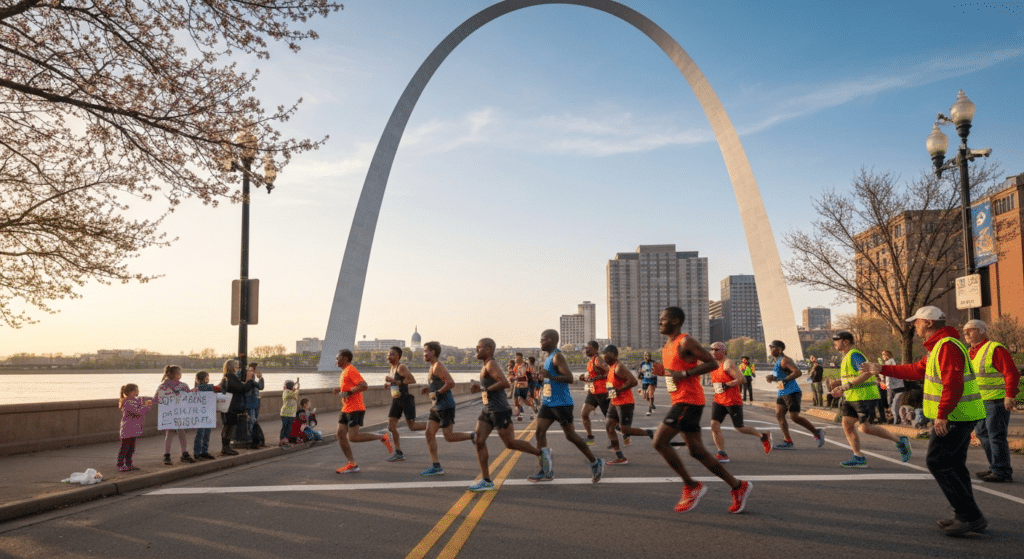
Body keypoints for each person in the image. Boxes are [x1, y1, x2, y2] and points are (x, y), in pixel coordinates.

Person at [861, 306, 987, 536]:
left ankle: (969, 516)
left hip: (955, 416)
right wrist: (882, 368)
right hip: (960, 415)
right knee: (954, 465)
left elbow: (953, 383)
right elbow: (917, 370)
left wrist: (942, 415)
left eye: (917, 322)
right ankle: (968, 515)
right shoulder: (940, 346)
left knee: (937, 462)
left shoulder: (946, 346)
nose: (914, 326)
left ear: (929, 323)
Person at [652, 306, 752, 514]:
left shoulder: (685, 342)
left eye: (663, 319)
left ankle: (692, 486)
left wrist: (684, 374)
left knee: (659, 441)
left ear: (675, 321)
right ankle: (738, 486)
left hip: (688, 401)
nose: (659, 322)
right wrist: (665, 373)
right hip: (680, 400)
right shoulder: (667, 346)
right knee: (697, 451)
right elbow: (677, 373)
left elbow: (712, 364)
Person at [467, 338, 561, 491]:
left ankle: (541, 453)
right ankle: (486, 480)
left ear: (488, 350)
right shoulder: (486, 364)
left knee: (510, 443)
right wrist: (481, 387)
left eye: (479, 347)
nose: (476, 349)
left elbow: (504, 383)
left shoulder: (491, 364)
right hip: (488, 409)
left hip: (499, 409)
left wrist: (485, 389)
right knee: (479, 440)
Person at [529, 329, 604, 483]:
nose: (540, 342)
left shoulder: (557, 356)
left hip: (561, 403)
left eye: (543, 339)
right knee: (539, 433)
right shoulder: (548, 357)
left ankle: (595, 462)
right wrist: (542, 379)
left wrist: (550, 376)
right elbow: (550, 378)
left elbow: (569, 378)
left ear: (551, 340)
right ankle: (546, 470)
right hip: (548, 402)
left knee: (570, 435)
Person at [828, 331, 911, 468]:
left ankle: (900, 441)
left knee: (865, 428)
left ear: (845, 342)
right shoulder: (847, 356)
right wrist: (839, 384)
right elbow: (852, 376)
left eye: (836, 341)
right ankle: (858, 457)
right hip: (851, 396)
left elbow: (867, 373)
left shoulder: (854, 355)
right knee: (847, 425)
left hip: (864, 396)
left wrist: (845, 386)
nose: (834, 344)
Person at [962, 319, 1019, 483]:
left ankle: (1002, 471)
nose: (966, 334)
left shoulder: (994, 349)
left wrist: (1010, 395)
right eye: (964, 331)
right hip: (979, 401)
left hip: (996, 400)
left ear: (982, 331)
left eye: (970, 330)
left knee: (995, 435)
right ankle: (995, 466)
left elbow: (1011, 373)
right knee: (982, 433)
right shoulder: (970, 352)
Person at [707, 342, 772, 463]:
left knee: (739, 428)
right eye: (712, 349)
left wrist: (727, 384)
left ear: (724, 352)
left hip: (732, 401)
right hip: (718, 400)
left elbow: (742, 379)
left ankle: (763, 436)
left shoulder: (727, 364)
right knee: (714, 426)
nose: (713, 352)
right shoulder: (712, 364)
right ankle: (722, 453)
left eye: (716, 350)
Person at [333, 349, 393, 474]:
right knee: (340, 434)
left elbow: (364, 385)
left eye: (338, 358)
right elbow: (351, 386)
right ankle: (351, 464)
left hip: (355, 408)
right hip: (346, 408)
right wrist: (340, 389)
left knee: (353, 437)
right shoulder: (345, 371)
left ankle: (382, 437)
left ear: (345, 358)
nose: (336, 360)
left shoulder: (350, 370)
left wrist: (349, 392)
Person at [419, 341, 474, 476]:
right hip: (436, 406)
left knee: (449, 437)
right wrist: (429, 389)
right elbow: (439, 383)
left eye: (426, 351)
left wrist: (438, 392)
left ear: (433, 352)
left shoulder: (438, 366)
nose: (424, 354)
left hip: (445, 406)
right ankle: (436, 466)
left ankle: (473, 435)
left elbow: (451, 383)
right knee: (429, 434)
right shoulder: (432, 366)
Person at [766, 340, 825, 450]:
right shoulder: (778, 361)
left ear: (779, 349)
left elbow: (797, 372)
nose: (771, 350)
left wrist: (784, 380)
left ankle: (817, 432)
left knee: (794, 417)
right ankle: (787, 441)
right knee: (779, 414)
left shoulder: (785, 360)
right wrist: (771, 377)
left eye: (772, 348)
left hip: (792, 392)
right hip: (782, 392)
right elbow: (780, 377)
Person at [603, 344, 655, 465]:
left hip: (625, 403)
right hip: (614, 402)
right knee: (609, 426)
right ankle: (620, 457)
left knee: (625, 430)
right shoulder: (610, 367)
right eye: (604, 354)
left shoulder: (619, 367)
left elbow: (633, 381)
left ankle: (649, 433)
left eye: (607, 354)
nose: (605, 356)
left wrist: (619, 389)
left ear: (615, 355)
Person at [384, 346, 426, 462]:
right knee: (391, 427)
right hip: (396, 400)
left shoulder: (401, 367)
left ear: (398, 356)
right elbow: (397, 383)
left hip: (405, 399)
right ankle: (398, 453)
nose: (389, 356)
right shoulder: (392, 368)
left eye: (392, 354)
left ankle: (434, 425)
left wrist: (395, 381)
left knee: (412, 426)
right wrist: (390, 385)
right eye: (388, 354)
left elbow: (412, 380)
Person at [155, 365, 195, 465]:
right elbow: (189, 397)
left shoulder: (163, 386)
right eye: (180, 373)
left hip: (169, 414)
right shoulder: (183, 386)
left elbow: (156, 398)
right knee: (182, 434)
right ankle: (184, 453)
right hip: (180, 413)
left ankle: (167, 455)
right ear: (177, 375)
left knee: (169, 435)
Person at [219, 359, 256, 456]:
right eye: (235, 365)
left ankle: (225, 447)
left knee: (227, 427)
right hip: (231, 406)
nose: (237, 367)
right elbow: (242, 389)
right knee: (229, 427)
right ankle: (225, 448)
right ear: (232, 367)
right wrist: (249, 381)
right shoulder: (231, 377)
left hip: (227, 405)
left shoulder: (226, 377)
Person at [578, 340, 609, 446]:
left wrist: (598, 377)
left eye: (588, 348)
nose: (586, 350)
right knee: (584, 414)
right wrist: (584, 378)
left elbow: (610, 371)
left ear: (595, 349)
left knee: (611, 420)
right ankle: (590, 437)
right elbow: (592, 376)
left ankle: (625, 432)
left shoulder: (598, 360)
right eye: (586, 348)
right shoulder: (591, 361)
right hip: (593, 392)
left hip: (603, 392)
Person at [117, 383, 153, 471]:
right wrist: (146, 407)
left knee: (131, 448)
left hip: (133, 429)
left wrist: (145, 405)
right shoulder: (127, 402)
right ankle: (120, 464)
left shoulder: (134, 401)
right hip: (127, 429)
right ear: (130, 392)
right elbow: (138, 412)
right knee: (125, 448)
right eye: (136, 391)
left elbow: (140, 409)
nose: (137, 392)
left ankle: (129, 464)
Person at [192, 371, 217, 460]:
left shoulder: (197, 388)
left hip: (206, 413)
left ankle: (202, 452)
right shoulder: (202, 388)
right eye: (207, 378)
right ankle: (199, 452)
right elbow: (217, 388)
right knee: (203, 434)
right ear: (203, 379)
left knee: (205, 433)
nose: (208, 380)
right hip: (202, 414)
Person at [241, 362, 266, 448]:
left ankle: (257, 441)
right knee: (252, 422)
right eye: (250, 370)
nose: (252, 372)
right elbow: (260, 387)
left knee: (253, 422)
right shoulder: (248, 381)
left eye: (253, 370)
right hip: (250, 405)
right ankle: (255, 441)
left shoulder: (252, 380)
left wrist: (260, 378)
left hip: (254, 404)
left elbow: (260, 387)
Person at [881, 350, 904, 426]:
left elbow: (885, 373)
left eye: (883, 355)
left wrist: (883, 379)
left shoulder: (890, 362)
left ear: (887, 355)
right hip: (895, 386)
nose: (882, 357)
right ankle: (895, 417)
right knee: (894, 403)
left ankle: (895, 418)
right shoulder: (890, 362)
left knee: (892, 403)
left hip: (893, 386)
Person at [511, 352, 534, 421]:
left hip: (524, 385)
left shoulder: (526, 366)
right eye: (516, 358)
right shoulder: (516, 366)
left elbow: (531, 374)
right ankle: (520, 413)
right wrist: (513, 378)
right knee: (516, 400)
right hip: (517, 385)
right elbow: (514, 374)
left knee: (523, 400)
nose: (516, 360)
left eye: (518, 358)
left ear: (521, 358)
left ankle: (533, 409)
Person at [637, 352, 659, 416]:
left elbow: (659, 371)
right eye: (645, 356)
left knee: (650, 394)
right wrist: (639, 375)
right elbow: (639, 373)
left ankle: (649, 410)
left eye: (648, 356)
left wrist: (655, 371)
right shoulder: (642, 363)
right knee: (645, 396)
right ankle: (651, 404)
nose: (646, 357)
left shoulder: (654, 363)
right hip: (645, 380)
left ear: (650, 356)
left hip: (652, 380)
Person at [280, 380, 299, 447]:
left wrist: (295, 389)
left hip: (291, 414)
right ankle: (282, 440)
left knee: (288, 428)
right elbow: (294, 394)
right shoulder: (286, 392)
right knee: (285, 427)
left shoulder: (291, 392)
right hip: (285, 413)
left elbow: (295, 396)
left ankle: (286, 440)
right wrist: (297, 389)